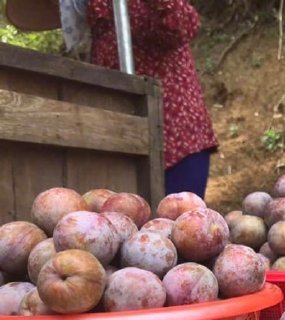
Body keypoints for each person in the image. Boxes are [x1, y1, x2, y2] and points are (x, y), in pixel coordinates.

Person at [5, 0, 218, 200]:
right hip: (121, 129)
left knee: (180, 223)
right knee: (128, 221)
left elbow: (183, 25)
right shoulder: (92, 7)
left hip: (176, 128)